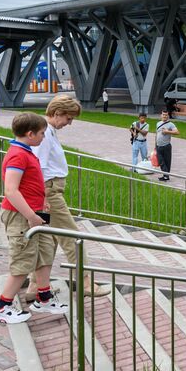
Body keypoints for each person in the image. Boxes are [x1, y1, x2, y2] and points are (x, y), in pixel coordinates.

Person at [0, 112, 67, 324]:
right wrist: (31, 216)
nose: (44, 137)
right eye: (41, 133)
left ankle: (44, 297)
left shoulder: (27, 151)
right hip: (22, 217)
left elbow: (29, 184)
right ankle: (1, 308)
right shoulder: (18, 155)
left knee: (44, 253)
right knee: (22, 261)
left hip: (34, 214)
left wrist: (41, 204)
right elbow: (11, 190)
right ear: (30, 134)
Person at [36, 95, 112, 298]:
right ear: (58, 113)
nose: (69, 123)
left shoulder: (48, 131)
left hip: (49, 191)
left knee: (48, 240)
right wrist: (43, 197)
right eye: (69, 119)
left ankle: (35, 286)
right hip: (49, 192)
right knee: (73, 237)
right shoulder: (45, 133)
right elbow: (40, 167)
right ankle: (86, 282)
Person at [155, 108, 179, 180]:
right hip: (158, 146)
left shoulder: (171, 124)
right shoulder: (158, 123)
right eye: (163, 115)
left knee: (167, 162)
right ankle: (166, 175)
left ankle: (166, 176)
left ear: (168, 116)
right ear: (161, 115)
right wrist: (155, 145)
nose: (164, 116)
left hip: (166, 146)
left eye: (166, 115)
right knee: (161, 161)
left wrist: (167, 131)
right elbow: (156, 134)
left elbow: (177, 132)